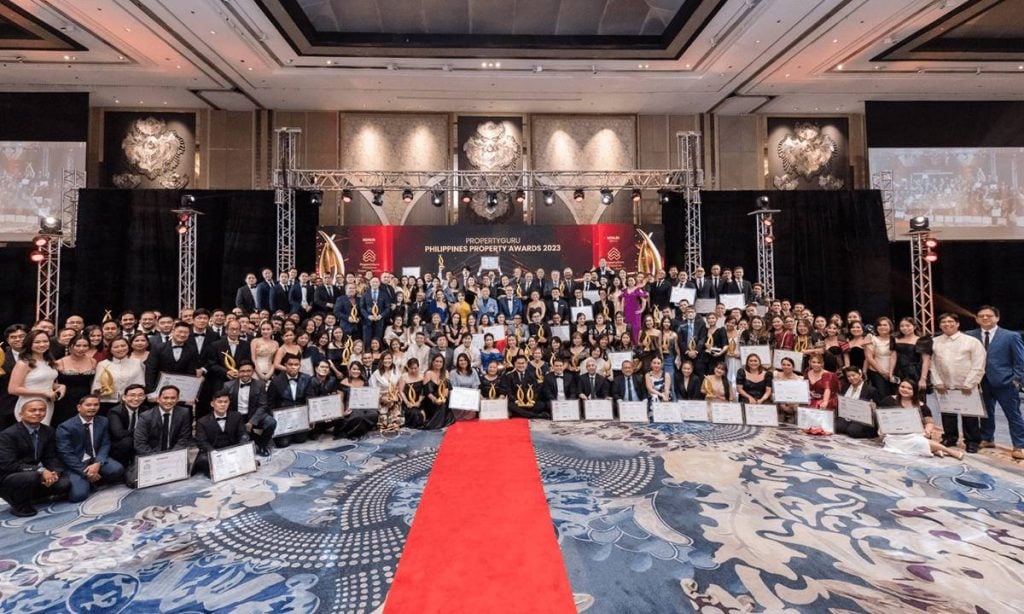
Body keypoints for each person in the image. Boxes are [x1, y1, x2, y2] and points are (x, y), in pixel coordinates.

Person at [968, 306, 1024, 458]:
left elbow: (1020, 360)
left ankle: (1020, 445)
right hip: (980, 381)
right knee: (985, 413)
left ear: (997, 318)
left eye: (989, 315)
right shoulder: (970, 336)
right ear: (976, 319)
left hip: (1006, 382)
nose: (985, 318)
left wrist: (1016, 380)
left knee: (1013, 415)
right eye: (981, 316)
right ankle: (987, 439)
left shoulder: (1011, 336)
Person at [0, 399, 70, 516]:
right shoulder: (7, 435)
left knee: (64, 483)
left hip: (33, 474)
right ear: (21, 414)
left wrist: (55, 473)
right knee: (32, 476)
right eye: (32, 410)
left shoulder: (48, 431)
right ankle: (17, 503)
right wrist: (40, 470)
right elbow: (9, 464)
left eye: (42, 410)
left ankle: (31, 496)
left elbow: (50, 457)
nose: (38, 413)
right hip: (9, 477)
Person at [931, 312, 987, 453]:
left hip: (966, 386)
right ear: (940, 325)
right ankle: (950, 438)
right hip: (944, 386)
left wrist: (970, 383)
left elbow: (979, 363)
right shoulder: (935, 342)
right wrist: (937, 382)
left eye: (950, 321)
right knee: (948, 414)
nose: (947, 324)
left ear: (957, 324)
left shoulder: (971, 341)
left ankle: (972, 441)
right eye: (944, 322)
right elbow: (932, 364)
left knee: (969, 416)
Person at [55, 394, 125, 502]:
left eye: (96, 405)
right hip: (77, 463)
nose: (92, 408)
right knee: (78, 496)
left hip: (95, 459)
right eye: (88, 405)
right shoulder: (65, 427)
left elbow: (105, 443)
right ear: (79, 407)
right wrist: (85, 471)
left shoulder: (103, 421)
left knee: (117, 469)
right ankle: (88, 479)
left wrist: (98, 462)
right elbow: (66, 454)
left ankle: (93, 479)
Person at [879, 380, 963, 460]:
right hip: (893, 435)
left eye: (909, 388)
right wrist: (882, 429)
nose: (905, 390)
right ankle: (933, 450)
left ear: (915, 391)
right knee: (895, 444)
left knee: (919, 441)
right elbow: (882, 418)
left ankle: (949, 451)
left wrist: (927, 430)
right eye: (902, 387)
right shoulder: (888, 400)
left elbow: (929, 422)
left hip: (914, 433)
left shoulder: (922, 406)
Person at [7, 329, 63, 425]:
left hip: (47, 403)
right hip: (29, 404)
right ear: (29, 344)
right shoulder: (23, 363)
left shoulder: (49, 361)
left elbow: (43, 381)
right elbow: (13, 389)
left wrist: (60, 386)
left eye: (45, 341)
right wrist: (43, 392)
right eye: (37, 342)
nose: (42, 344)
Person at [222, 361, 276, 456]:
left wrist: (252, 422)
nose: (245, 374)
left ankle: (262, 445)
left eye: (248, 371)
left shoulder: (260, 384)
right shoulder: (228, 385)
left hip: (253, 415)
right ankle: (251, 438)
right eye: (242, 371)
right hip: (237, 417)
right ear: (238, 372)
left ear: (253, 372)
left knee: (271, 422)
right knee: (243, 442)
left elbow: (263, 405)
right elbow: (224, 406)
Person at [193, 392, 249, 478]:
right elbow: (201, 441)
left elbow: (243, 434)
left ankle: (229, 465)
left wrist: (240, 449)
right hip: (214, 451)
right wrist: (214, 453)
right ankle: (220, 468)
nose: (223, 404)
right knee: (203, 459)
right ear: (212, 404)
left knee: (252, 448)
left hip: (232, 450)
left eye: (226, 402)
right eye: (219, 402)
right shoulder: (202, 421)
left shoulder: (237, 416)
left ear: (229, 403)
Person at [144, 322, 202, 393]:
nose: (182, 335)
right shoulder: (158, 348)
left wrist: (190, 392)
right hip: (159, 388)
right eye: (180, 332)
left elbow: (191, 372)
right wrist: (151, 391)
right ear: (173, 331)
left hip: (182, 389)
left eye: (186, 333)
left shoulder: (192, 350)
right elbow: (151, 370)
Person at [267, 354, 312, 446]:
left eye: (296, 364)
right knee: (282, 444)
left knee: (301, 440)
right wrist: (275, 419)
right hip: (283, 418)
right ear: (285, 365)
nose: (293, 367)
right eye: (290, 364)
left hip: (300, 416)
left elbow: (310, 399)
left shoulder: (307, 378)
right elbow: (270, 402)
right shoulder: (276, 381)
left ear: (300, 366)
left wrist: (311, 417)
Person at [92, 337, 145, 413]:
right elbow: (96, 386)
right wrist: (101, 390)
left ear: (128, 347)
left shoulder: (137, 363)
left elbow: (141, 384)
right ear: (110, 349)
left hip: (132, 403)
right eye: (116, 347)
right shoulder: (102, 364)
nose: (120, 349)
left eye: (123, 346)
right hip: (108, 403)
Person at [54, 334, 97, 425]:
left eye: (85, 346)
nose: (81, 349)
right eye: (78, 345)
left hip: (86, 399)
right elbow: (52, 383)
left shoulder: (93, 361)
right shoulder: (59, 363)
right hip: (65, 400)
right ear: (71, 346)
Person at [107, 383, 147, 467]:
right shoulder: (115, 412)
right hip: (119, 445)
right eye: (132, 395)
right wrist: (140, 431)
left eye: (140, 395)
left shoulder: (146, 410)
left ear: (144, 397)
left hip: (139, 440)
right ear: (124, 397)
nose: (136, 398)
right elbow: (119, 433)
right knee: (128, 441)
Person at [834, 366, 879, 439]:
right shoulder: (845, 387)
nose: (851, 378)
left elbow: (878, 407)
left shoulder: (870, 390)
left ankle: (870, 433)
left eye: (853, 375)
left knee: (853, 431)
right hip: (847, 415)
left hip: (862, 417)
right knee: (837, 427)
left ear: (860, 374)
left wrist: (873, 407)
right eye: (849, 376)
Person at [449, 353, 480, 421]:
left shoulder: (473, 371)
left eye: (465, 360)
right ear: (457, 362)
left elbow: (476, 386)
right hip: (458, 397)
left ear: (468, 361)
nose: (463, 362)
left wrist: (470, 395)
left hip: (471, 396)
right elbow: (454, 388)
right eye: (460, 360)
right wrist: (463, 395)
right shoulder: (453, 373)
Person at [620, 277, 648, 343]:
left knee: (636, 328)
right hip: (626, 312)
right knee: (627, 328)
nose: (630, 281)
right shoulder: (625, 290)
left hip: (635, 312)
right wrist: (621, 313)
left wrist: (642, 310)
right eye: (629, 280)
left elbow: (644, 300)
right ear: (627, 282)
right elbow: (622, 302)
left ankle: (636, 343)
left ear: (635, 281)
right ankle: (628, 343)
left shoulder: (638, 289)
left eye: (632, 280)